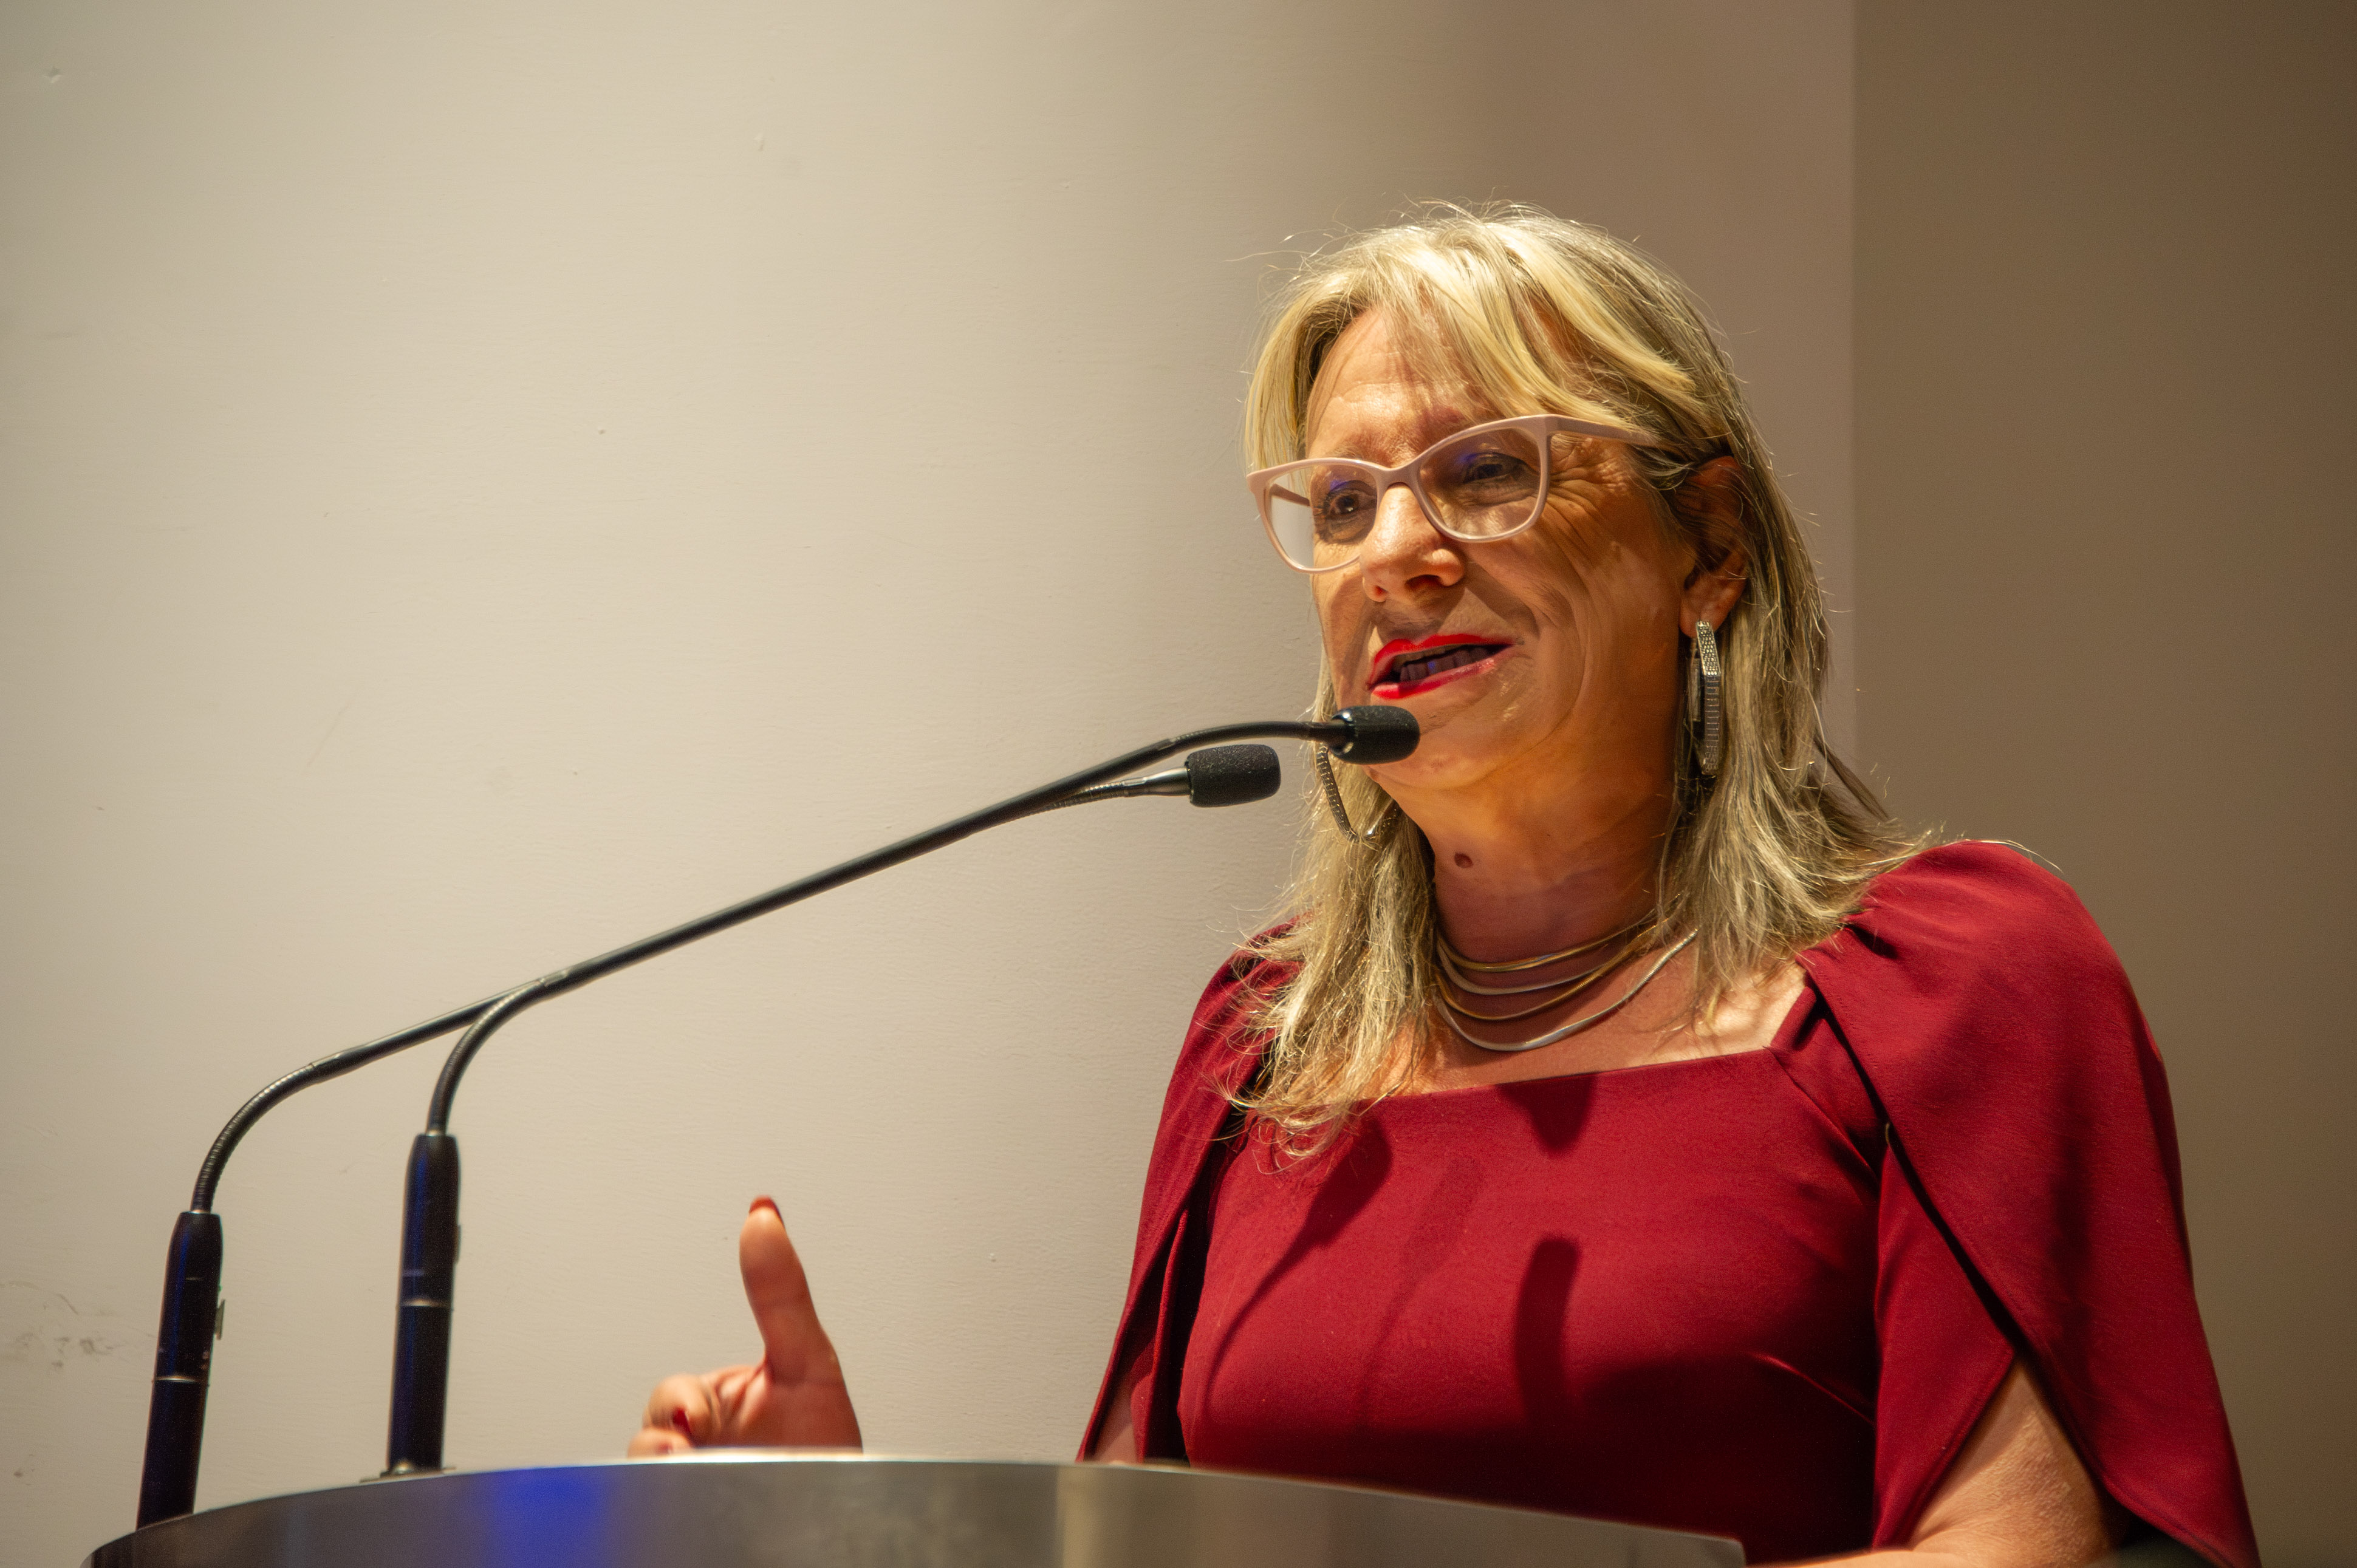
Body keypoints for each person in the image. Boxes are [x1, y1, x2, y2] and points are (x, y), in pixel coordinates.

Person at [629, 208, 2256, 1568]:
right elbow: (1141, 1550)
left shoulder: (1949, 982)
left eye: (1486, 473)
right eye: (1343, 502)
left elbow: (2023, 1556)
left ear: (1709, 547)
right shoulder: (1263, 1050)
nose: (1395, 554)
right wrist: (840, 1532)